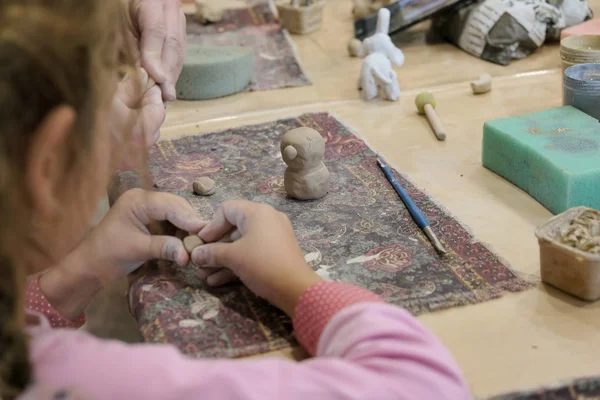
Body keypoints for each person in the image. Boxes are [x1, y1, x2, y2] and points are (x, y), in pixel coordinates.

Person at [0, 0, 471, 399]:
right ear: (46, 164)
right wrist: (295, 283)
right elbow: (424, 382)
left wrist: (80, 271)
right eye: (111, 83)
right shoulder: (84, 380)